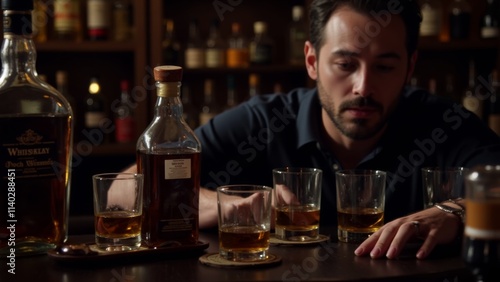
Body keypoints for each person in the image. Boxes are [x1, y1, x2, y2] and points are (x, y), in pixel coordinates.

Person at [126, 0, 500, 259]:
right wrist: (224, 205)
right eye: (345, 64)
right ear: (311, 61)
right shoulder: (263, 122)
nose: (363, 87)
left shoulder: (442, 124)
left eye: (385, 67)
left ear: (410, 66)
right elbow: (123, 190)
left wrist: (455, 211)